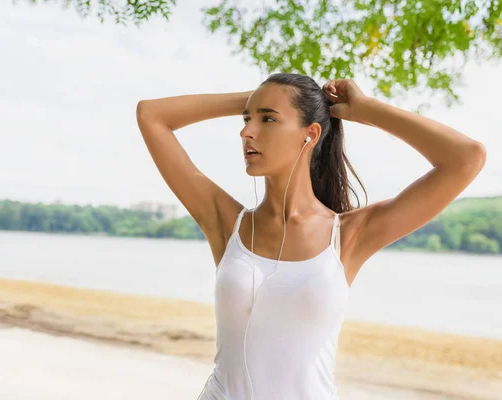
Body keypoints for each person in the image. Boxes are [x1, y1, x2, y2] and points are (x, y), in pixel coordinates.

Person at [135, 74, 486, 399]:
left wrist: (365, 110)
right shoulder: (229, 224)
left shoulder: (349, 236)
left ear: (311, 133)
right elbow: (151, 115)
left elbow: (466, 158)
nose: (246, 132)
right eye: (246, 120)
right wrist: (254, 99)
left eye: (267, 119)